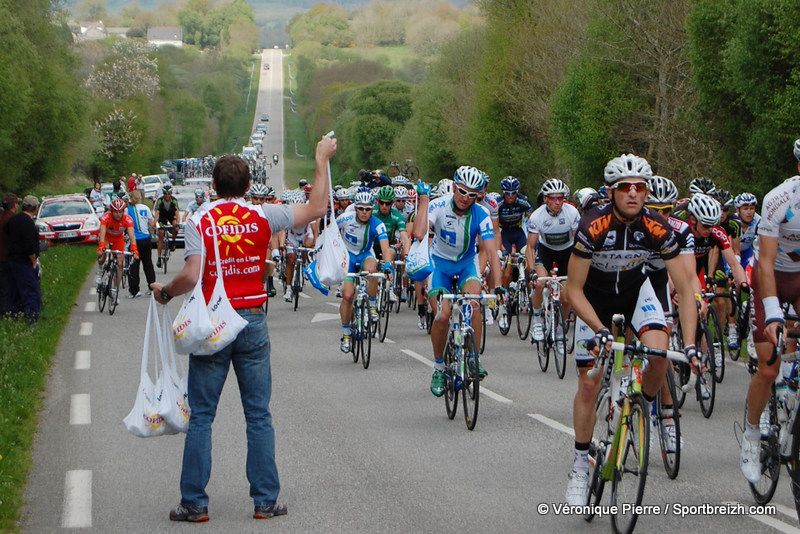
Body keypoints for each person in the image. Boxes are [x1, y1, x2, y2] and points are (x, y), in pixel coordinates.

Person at [151, 135, 337, 523]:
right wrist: (320, 159)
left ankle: (194, 504)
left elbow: (190, 275)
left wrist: (165, 293)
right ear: (249, 186)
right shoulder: (265, 215)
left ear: (213, 187)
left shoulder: (200, 219)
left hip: (214, 323)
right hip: (252, 318)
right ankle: (265, 501)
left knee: (202, 416)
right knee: (258, 414)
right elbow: (318, 207)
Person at [564, 154, 698, 506]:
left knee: (658, 356)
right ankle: (580, 464)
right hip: (594, 300)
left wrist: (693, 344)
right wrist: (598, 328)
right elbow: (572, 290)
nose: (634, 194)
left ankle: (643, 407)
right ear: (612, 193)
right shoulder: (593, 225)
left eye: (641, 187)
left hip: (637, 293)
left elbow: (684, 289)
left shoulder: (658, 227)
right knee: (590, 384)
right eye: (626, 188)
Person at [413, 166, 505, 396]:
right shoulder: (438, 205)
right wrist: (424, 200)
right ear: (454, 187)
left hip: (466, 263)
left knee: (474, 302)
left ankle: (474, 358)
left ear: (479, 195)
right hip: (440, 263)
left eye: (472, 194)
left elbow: (492, 252)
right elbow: (420, 233)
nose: (465, 198)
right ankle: (438, 367)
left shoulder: (481, 214)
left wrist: (499, 285)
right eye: (462, 191)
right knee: (443, 315)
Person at [740, 176, 800, 484]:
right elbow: (763, 262)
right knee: (768, 367)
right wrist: (775, 314)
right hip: (770, 279)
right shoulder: (780, 199)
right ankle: (751, 435)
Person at [337, 190, 393, 352]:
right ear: (355, 208)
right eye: (361, 208)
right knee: (347, 295)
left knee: (372, 269)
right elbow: (330, 231)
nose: (364, 212)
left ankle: (373, 306)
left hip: (365, 254)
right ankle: (346, 333)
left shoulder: (377, 224)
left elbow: (385, 246)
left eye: (368, 209)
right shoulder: (345, 219)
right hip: (348, 256)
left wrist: (388, 264)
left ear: (372, 209)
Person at [526, 178, 580, 344]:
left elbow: (579, 243)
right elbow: (530, 246)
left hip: (567, 252)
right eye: (553, 198)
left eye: (561, 198)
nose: (558, 202)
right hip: (546, 252)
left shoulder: (571, 213)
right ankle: (536, 320)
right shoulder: (537, 216)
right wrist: (531, 271)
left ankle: (559, 329)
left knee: (565, 298)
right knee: (541, 284)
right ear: (545, 199)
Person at [4, 195, 41, 324]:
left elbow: (6, 231)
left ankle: (15, 315)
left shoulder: (14, 220)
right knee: (31, 291)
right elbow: (30, 245)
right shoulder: (27, 222)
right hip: (24, 262)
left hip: (13, 260)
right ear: (35, 208)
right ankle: (31, 318)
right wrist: (33, 261)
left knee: (16, 290)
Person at [96, 199, 139, 305]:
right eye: (116, 212)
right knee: (103, 251)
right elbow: (102, 233)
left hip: (118, 239)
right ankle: (100, 269)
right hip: (106, 237)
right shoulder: (106, 217)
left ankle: (114, 290)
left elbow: (132, 235)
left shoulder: (127, 219)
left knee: (119, 263)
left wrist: (134, 248)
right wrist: (101, 246)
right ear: (111, 211)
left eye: (121, 212)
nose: (118, 214)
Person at [126, 190, 155, 298]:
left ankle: (135, 290)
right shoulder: (146, 208)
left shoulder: (128, 210)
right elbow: (151, 223)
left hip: (135, 240)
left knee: (134, 265)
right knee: (148, 264)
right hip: (146, 238)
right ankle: (151, 286)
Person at [0, 193, 20, 315]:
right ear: (13, 206)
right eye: (17, 203)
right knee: (10, 287)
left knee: (3, 287)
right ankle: (8, 312)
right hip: (9, 258)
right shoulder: (14, 220)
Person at [154, 185, 179, 268]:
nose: (167, 195)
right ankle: (159, 257)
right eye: (165, 193)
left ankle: (173, 242)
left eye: (169, 193)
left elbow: (177, 213)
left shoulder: (174, 200)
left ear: (171, 194)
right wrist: (154, 222)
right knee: (161, 234)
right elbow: (157, 212)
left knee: (175, 227)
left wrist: (178, 223)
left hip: (171, 216)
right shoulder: (160, 200)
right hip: (163, 217)